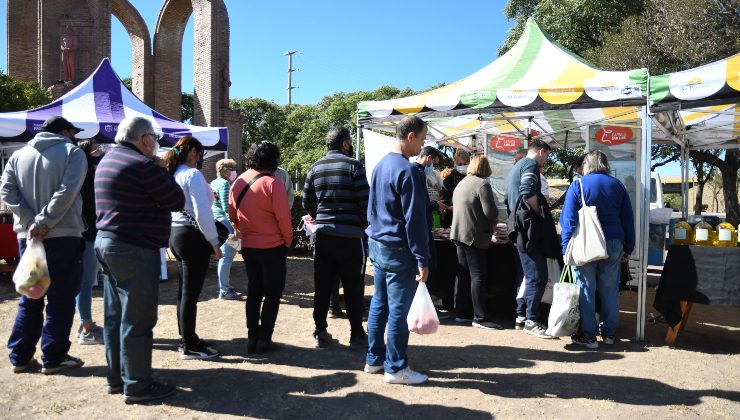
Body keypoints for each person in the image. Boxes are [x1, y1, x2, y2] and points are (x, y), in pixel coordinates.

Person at [95, 116, 184, 403]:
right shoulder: (143, 165)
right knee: (138, 319)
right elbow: (175, 199)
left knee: (114, 316)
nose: (157, 145)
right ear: (145, 140)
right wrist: (161, 169)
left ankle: (117, 378)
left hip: (108, 243)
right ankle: (137, 385)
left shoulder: (107, 160)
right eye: (155, 140)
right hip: (134, 248)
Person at [1, 116, 87, 375]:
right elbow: (67, 191)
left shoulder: (18, 156)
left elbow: (7, 192)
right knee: (61, 299)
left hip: (27, 237)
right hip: (62, 235)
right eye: (72, 132)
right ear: (64, 131)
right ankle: (54, 356)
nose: (74, 136)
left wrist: (30, 221)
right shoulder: (72, 153)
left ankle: (20, 355)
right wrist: (43, 221)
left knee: (30, 296)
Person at [364, 115, 430, 385]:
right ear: (411, 136)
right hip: (398, 248)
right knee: (399, 311)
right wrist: (422, 258)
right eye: (422, 140)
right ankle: (396, 368)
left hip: (377, 243)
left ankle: (374, 359)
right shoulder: (409, 170)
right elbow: (415, 220)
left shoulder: (381, 165)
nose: (422, 146)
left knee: (379, 305)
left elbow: (372, 208)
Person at [303, 127, 369, 349]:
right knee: (353, 286)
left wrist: (321, 218)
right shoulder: (355, 166)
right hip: (351, 239)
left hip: (324, 237)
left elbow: (307, 203)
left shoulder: (315, 167)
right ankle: (357, 334)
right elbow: (365, 203)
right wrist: (360, 224)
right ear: (345, 143)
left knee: (322, 286)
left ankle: (320, 332)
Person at [560, 151, 634, 349]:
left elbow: (568, 220)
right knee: (609, 290)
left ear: (587, 164)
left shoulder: (579, 184)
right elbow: (628, 218)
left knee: (586, 288)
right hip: (614, 242)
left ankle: (589, 336)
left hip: (586, 243)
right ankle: (609, 334)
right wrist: (629, 246)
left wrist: (566, 246)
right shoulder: (618, 185)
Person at [229, 141, 292, 354]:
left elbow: (233, 216)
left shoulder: (238, 182)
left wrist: (244, 231)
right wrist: (288, 242)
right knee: (273, 293)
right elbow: (284, 219)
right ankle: (265, 338)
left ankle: (252, 337)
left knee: (254, 291)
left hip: (249, 246)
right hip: (273, 246)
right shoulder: (273, 183)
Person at [165, 136, 222, 360]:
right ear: (192, 153)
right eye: (200, 154)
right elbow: (202, 213)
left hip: (176, 235)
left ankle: (187, 337)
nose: (200, 159)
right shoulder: (192, 174)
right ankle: (189, 345)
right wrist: (214, 243)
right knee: (190, 293)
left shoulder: (174, 175)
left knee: (184, 291)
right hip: (191, 236)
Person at [506, 139, 552, 338]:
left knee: (530, 274)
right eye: (547, 156)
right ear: (541, 151)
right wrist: (540, 212)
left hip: (519, 229)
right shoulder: (530, 164)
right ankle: (532, 320)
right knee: (537, 275)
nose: (546, 160)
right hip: (528, 231)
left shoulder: (517, 167)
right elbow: (527, 192)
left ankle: (525, 316)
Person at [450, 155, 502, 330]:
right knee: (478, 275)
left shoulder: (462, 183)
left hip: (458, 234)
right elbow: (491, 212)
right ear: (485, 169)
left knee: (464, 274)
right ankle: (480, 317)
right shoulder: (482, 184)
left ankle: (462, 313)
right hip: (474, 236)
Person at [75, 140, 105, 345]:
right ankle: (87, 328)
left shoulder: (86, 175)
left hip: (88, 234)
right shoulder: (85, 177)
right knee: (85, 283)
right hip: (87, 235)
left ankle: (84, 324)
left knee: (86, 281)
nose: (100, 152)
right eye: (95, 150)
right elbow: (93, 204)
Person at [210, 158, 243, 300]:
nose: (234, 171)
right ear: (224, 170)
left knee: (225, 256)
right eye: (232, 169)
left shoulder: (214, 182)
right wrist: (235, 226)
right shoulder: (224, 184)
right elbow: (227, 208)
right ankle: (224, 290)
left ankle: (224, 286)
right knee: (227, 256)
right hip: (225, 222)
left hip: (217, 221)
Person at [440, 149, 470, 227]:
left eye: (465, 163)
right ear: (455, 164)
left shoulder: (472, 176)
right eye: (460, 164)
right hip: (452, 217)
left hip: (469, 216)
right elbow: (445, 198)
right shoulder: (449, 178)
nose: (463, 166)